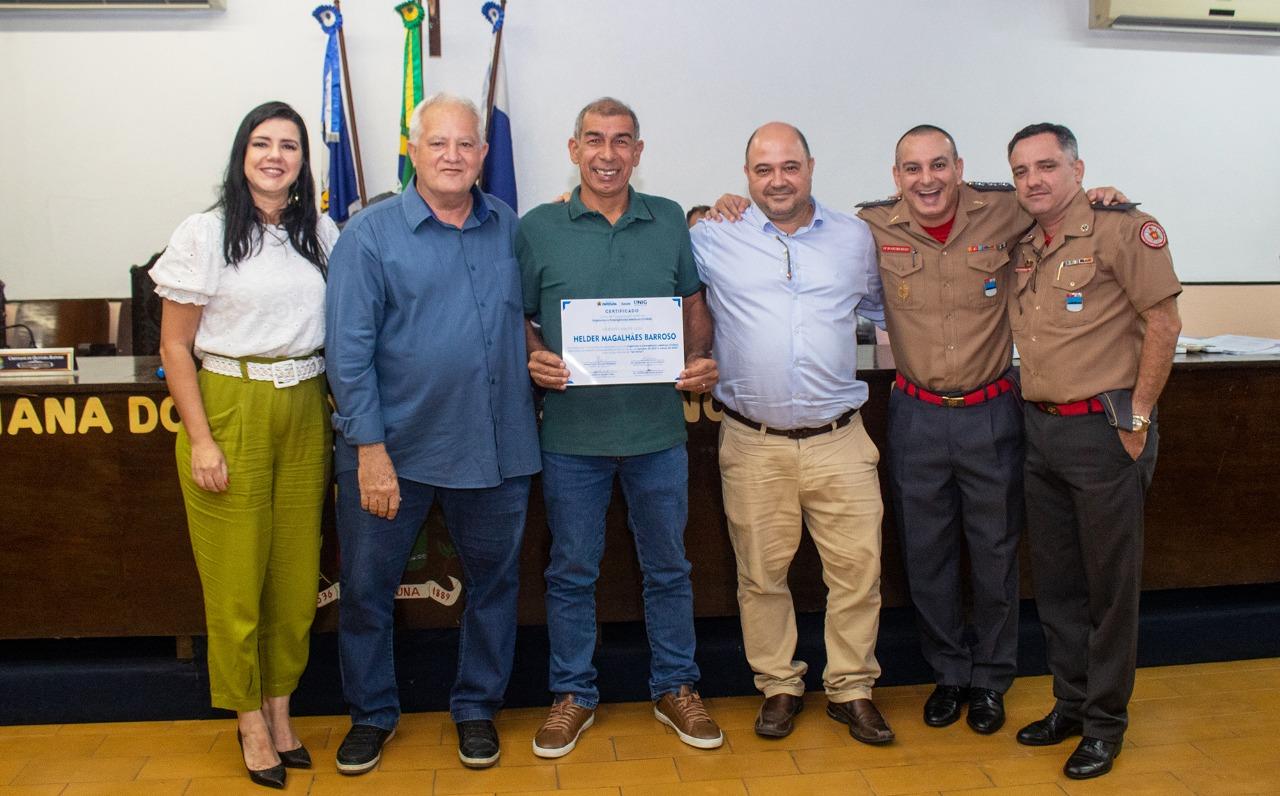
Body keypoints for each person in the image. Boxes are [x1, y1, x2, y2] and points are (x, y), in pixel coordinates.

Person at [324, 93, 540, 773]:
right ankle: (371, 714)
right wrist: (369, 450)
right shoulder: (369, 235)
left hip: (496, 447)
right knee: (364, 590)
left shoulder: (511, 228)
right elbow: (348, 351)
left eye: (466, 144)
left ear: (483, 154)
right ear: (413, 151)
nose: (453, 156)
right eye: (438, 143)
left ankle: (477, 708)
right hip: (394, 451)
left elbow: (536, 319)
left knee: (495, 587)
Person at [519, 97, 722, 758]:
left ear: (639, 152)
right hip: (571, 439)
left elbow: (693, 303)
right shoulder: (537, 227)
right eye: (595, 140)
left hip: (656, 436)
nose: (608, 153)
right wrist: (533, 358)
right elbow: (520, 314)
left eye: (622, 141)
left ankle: (675, 686)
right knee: (572, 570)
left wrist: (696, 359)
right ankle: (573, 693)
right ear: (574, 148)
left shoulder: (666, 218)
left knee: (668, 566)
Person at [155, 100, 337, 790]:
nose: (275, 155)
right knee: (237, 583)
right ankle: (248, 720)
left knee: (294, 582)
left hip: (306, 406)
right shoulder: (205, 234)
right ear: (242, 155)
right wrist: (201, 439)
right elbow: (175, 345)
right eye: (262, 143)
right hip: (230, 407)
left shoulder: (320, 231)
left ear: (302, 161)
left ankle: (281, 709)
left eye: (288, 145)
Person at [692, 122, 893, 745]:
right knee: (760, 574)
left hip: (840, 437)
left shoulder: (856, 238)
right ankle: (778, 685)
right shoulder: (710, 236)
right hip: (753, 443)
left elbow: (887, 310)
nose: (777, 180)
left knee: (858, 571)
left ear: (810, 167)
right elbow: (639, 258)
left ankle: (852, 688)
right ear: (745, 175)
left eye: (789, 166)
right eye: (762, 169)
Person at [1005, 123, 1181, 780]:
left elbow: (1164, 322)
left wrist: (1137, 415)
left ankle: (1106, 724)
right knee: (1058, 586)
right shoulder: (1028, 242)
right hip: (1042, 431)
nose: (1034, 181)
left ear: (1077, 169)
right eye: (1022, 171)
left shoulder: (1124, 227)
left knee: (1110, 588)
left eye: (1047, 166)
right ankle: (1071, 703)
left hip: (1103, 431)